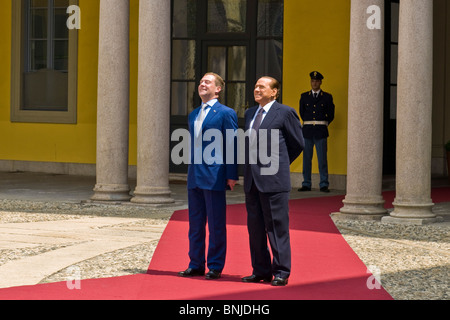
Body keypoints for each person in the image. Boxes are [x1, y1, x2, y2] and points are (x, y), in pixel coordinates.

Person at [242, 76, 304, 286]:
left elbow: (297, 144)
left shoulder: (285, 112)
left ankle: (281, 271)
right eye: (256, 85)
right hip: (252, 181)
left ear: (274, 91)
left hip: (274, 181)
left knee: (276, 227)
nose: (256, 89)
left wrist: (278, 164)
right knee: (255, 228)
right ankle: (260, 270)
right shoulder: (250, 113)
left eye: (262, 86)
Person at [178, 73, 239, 280]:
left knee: (215, 224)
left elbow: (231, 144)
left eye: (208, 82)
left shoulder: (226, 113)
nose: (202, 84)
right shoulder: (193, 114)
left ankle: (215, 265)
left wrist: (231, 175)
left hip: (214, 176)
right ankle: (195, 264)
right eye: (201, 82)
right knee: (195, 224)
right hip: (195, 175)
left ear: (218, 89)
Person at [298, 71, 335, 193]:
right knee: (307, 159)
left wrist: (322, 123)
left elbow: (331, 115)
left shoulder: (327, 97)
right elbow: (302, 113)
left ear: (320, 82)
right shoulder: (304, 96)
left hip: (320, 131)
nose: (314, 83)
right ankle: (306, 183)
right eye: (312, 81)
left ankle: (324, 184)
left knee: (322, 159)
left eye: (316, 81)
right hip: (307, 131)